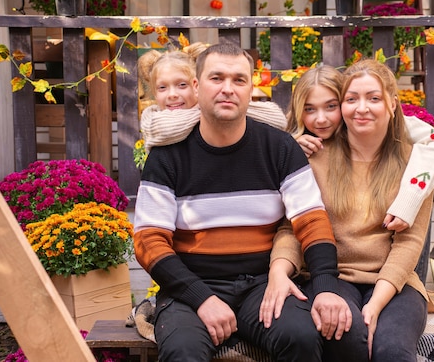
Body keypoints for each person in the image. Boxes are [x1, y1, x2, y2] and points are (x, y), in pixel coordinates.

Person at [133, 43, 352, 362]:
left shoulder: (279, 148)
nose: (227, 89)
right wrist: (202, 298)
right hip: (191, 289)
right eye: (216, 78)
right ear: (196, 86)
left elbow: (311, 222)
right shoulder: (167, 156)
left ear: (251, 89)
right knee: (183, 352)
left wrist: (326, 285)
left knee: (301, 337)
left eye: (239, 80)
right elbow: (148, 241)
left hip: (262, 286)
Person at [271, 60, 434, 361]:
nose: (362, 108)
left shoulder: (418, 163)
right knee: (346, 336)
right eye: (351, 99)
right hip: (333, 276)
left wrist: (375, 306)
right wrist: (280, 267)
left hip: (396, 282)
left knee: (391, 350)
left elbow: (410, 242)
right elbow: (293, 227)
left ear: (392, 103)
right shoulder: (315, 155)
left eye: (374, 98)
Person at [286, 65, 434, 232]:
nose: (321, 119)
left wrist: (408, 199)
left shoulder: (374, 122)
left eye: (331, 106)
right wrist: (293, 147)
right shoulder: (295, 145)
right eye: (309, 109)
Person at [137, 44, 288, 153]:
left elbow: (277, 119)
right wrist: (209, 112)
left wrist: (217, 108)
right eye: (162, 88)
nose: (172, 94)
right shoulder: (152, 117)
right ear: (155, 93)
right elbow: (163, 129)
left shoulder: (217, 106)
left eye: (182, 85)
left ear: (197, 86)